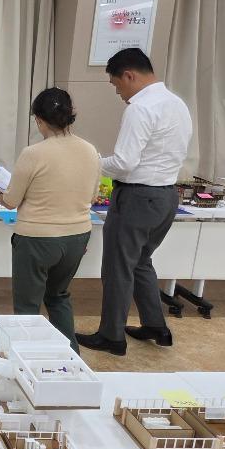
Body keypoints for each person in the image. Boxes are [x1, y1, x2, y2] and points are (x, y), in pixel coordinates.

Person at [76, 48, 192, 355]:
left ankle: (111, 336)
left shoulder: (140, 108)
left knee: (118, 268)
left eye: (117, 86)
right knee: (141, 261)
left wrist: (91, 161)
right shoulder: (177, 104)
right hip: (166, 196)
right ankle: (156, 326)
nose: (119, 94)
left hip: (137, 197)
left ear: (129, 75)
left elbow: (124, 163)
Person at [0, 88, 100, 352]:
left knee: (27, 306)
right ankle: (71, 357)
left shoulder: (33, 153)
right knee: (58, 296)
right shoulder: (90, 151)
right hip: (77, 236)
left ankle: (28, 360)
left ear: (39, 120)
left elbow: (11, 201)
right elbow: (93, 196)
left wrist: (0, 194)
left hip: (37, 239)